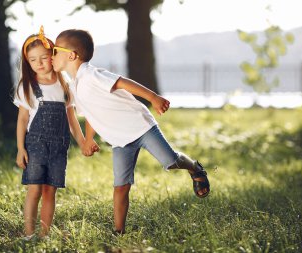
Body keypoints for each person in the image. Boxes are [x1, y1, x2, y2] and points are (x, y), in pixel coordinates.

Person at [51, 29, 210, 234]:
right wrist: (88, 139)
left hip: (141, 127)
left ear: (71, 55)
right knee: (120, 186)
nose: (51, 55)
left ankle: (195, 168)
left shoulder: (92, 74)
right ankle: (119, 231)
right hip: (120, 141)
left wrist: (153, 97)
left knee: (170, 161)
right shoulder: (75, 87)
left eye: (55, 50)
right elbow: (91, 114)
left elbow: (122, 82)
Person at [13, 26, 87, 240]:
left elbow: (71, 119)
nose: (39, 63)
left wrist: (82, 142)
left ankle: (44, 234)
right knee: (34, 189)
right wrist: (20, 149)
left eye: (44, 58)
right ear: (27, 61)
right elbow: (22, 119)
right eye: (33, 60)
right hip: (35, 145)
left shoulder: (65, 85)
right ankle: (29, 234)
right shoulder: (27, 86)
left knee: (50, 191)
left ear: (53, 55)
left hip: (59, 147)